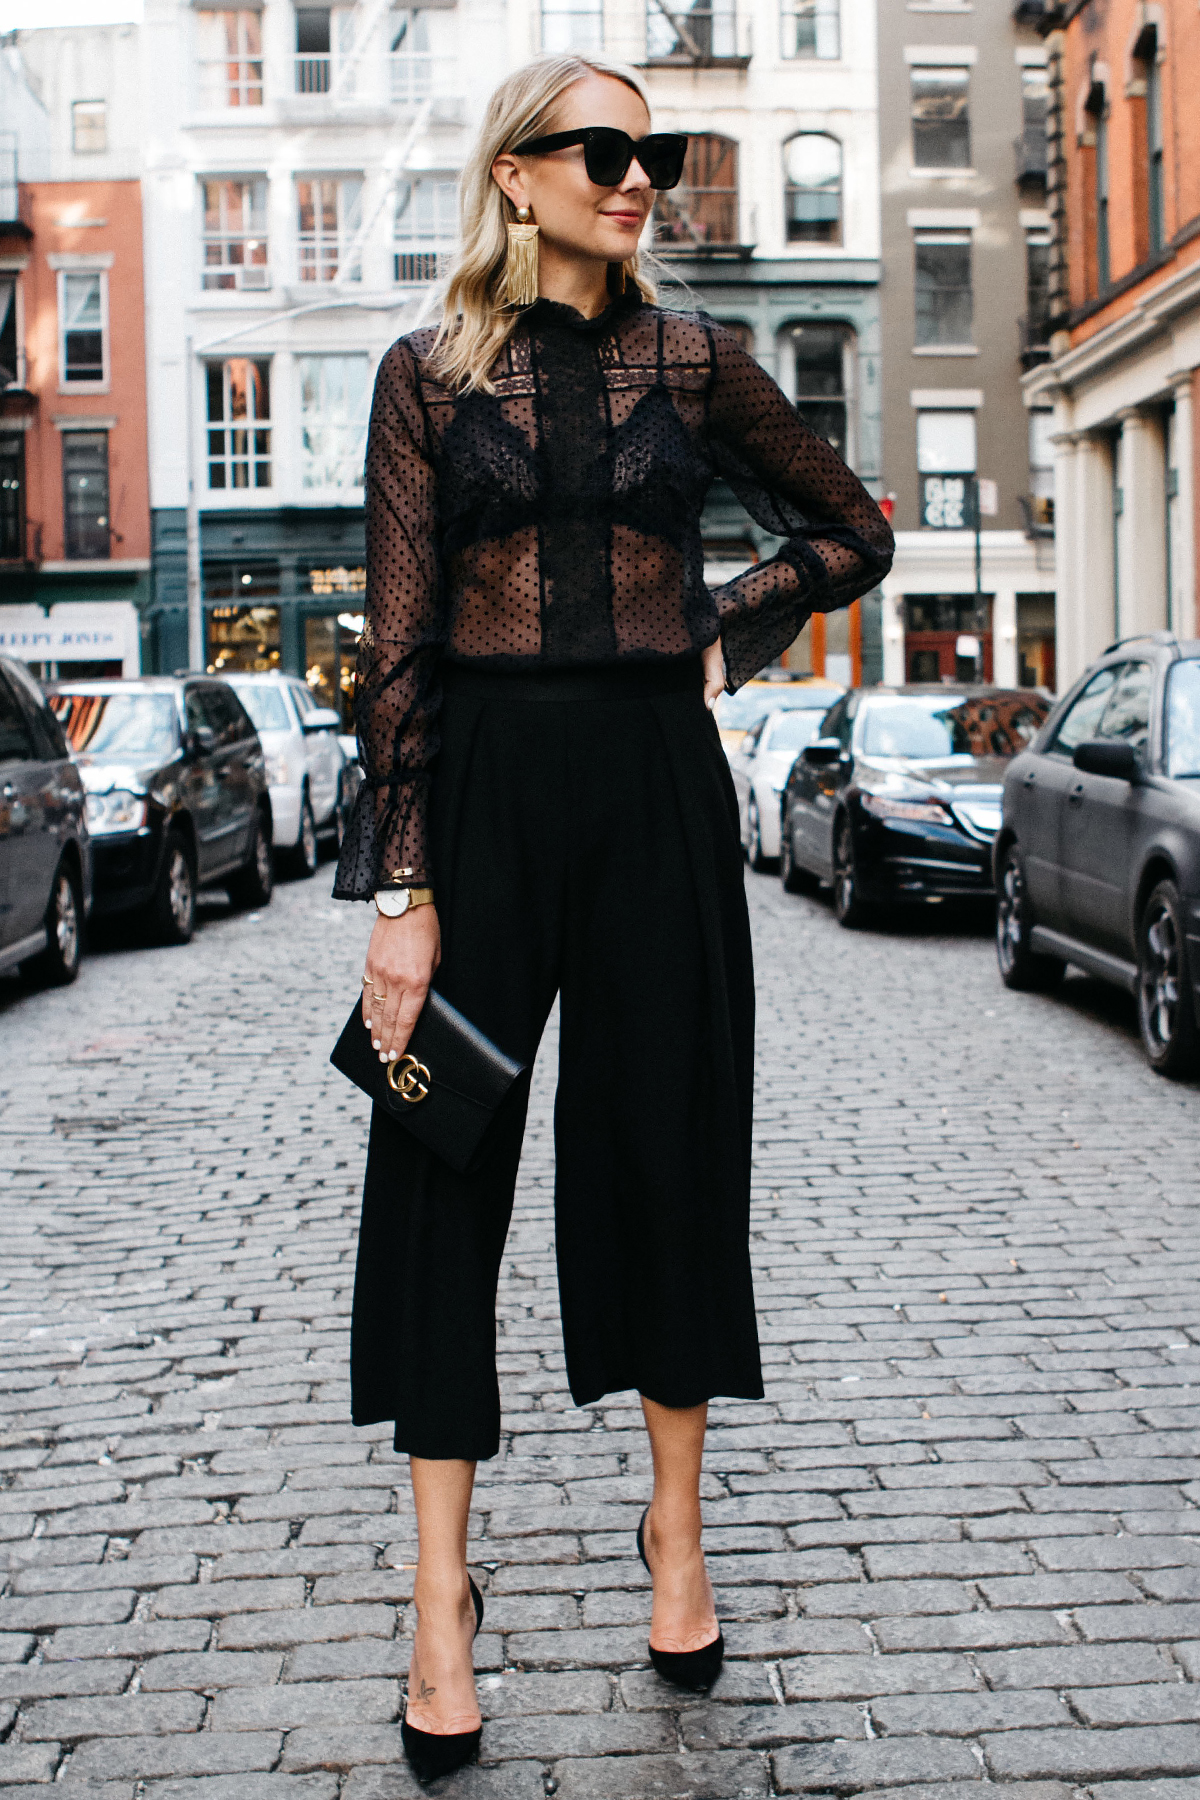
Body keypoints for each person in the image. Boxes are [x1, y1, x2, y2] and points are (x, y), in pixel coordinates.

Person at [333, 50, 893, 1782]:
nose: (635, 175)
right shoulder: (426, 377)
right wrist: (405, 890)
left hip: (656, 794)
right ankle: (441, 1597)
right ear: (518, 175)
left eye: (649, 153)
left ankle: (676, 1534)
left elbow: (855, 527)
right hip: (483, 802)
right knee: (442, 1184)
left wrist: (720, 617)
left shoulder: (699, 362)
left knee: (667, 1154)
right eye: (601, 149)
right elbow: (403, 650)